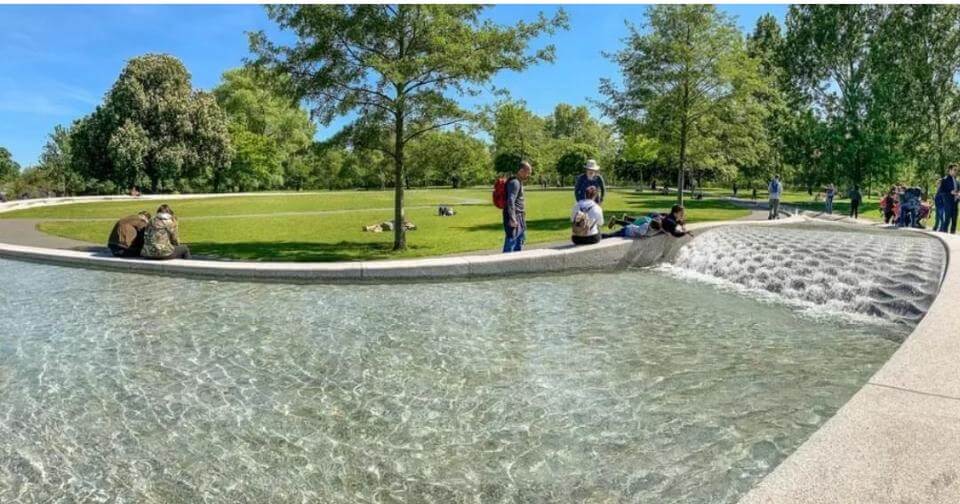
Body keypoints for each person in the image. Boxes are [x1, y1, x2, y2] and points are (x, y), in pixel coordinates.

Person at [503, 161, 531, 253]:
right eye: (528, 172)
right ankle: (505, 264)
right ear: (521, 171)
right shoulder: (515, 183)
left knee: (520, 242)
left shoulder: (518, 182)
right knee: (511, 243)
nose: (529, 175)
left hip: (520, 217)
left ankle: (516, 264)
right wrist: (512, 218)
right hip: (514, 217)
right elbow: (510, 201)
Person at [936, 164, 959, 233]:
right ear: (950, 170)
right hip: (948, 202)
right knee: (947, 219)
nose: (956, 171)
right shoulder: (944, 180)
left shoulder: (957, 181)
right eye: (954, 170)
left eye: (957, 170)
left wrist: (958, 195)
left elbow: (958, 191)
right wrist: (950, 192)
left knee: (954, 220)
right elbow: (941, 191)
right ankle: (945, 234)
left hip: (955, 202)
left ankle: (952, 235)